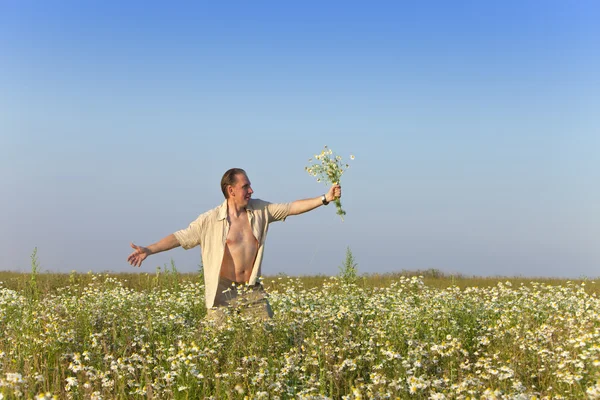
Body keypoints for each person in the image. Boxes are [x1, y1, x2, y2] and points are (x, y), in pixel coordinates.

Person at [127, 168, 341, 325]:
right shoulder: (210, 220)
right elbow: (181, 237)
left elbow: (291, 207)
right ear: (231, 190)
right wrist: (149, 250)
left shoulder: (260, 210)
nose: (251, 190)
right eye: (245, 186)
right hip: (222, 293)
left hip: (252, 290)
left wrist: (325, 198)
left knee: (265, 339)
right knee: (215, 347)